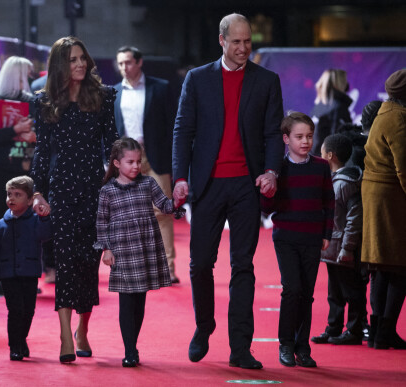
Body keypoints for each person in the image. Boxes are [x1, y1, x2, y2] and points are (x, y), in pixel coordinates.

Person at [172, 13, 283, 368]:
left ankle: (240, 348)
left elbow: (271, 134)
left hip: (246, 185)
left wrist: (271, 171)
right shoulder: (197, 78)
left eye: (248, 41)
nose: (243, 48)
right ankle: (204, 326)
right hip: (206, 184)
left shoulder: (267, 80)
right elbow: (183, 130)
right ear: (221, 40)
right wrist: (179, 176)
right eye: (236, 41)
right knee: (200, 264)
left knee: (243, 267)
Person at [30, 36, 120, 363]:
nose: (80, 64)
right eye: (72, 59)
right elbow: (42, 150)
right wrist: (37, 190)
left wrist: (118, 184)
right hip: (61, 191)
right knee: (65, 261)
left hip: (94, 190)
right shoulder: (43, 101)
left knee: (87, 262)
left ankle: (83, 326)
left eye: (83, 58)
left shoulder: (103, 96)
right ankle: (66, 334)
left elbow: (112, 144)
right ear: (60, 65)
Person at [96, 138, 179, 367]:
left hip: (144, 248)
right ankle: (130, 349)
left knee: (139, 302)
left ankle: (133, 344)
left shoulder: (148, 183)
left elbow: (165, 205)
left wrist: (180, 200)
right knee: (126, 301)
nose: (136, 166)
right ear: (116, 163)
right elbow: (102, 223)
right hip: (122, 251)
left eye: (138, 161)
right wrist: (106, 249)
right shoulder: (107, 191)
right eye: (130, 161)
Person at [261, 112, 334, 368]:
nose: (305, 141)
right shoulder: (278, 169)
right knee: (292, 290)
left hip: (313, 237)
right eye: (299, 136)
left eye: (310, 136)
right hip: (286, 238)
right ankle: (285, 344)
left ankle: (303, 347)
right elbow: (267, 208)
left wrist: (327, 234)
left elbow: (329, 202)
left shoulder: (322, 167)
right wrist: (267, 188)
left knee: (308, 294)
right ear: (286, 139)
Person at [114, 46, 178, 283]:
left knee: (162, 213)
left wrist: (175, 161)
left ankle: (168, 269)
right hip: (125, 160)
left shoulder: (160, 88)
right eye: (120, 64)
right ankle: (132, 268)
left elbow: (173, 126)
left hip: (155, 157)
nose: (124, 67)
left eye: (128, 62)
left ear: (139, 62)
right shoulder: (113, 93)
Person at [0, 176, 52, 361]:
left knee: (29, 310)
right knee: (15, 310)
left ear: (30, 200)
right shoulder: (0, 225)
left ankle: (21, 340)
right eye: (9, 194)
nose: (11, 198)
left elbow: (46, 235)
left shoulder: (36, 221)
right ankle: (15, 346)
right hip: (8, 275)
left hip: (29, 273)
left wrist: (45, 218)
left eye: (17, 195)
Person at [361, 69, 406, 350]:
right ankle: (385, 331)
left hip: (377, 193)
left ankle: (379, 330)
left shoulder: (384, 112)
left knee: (381, 266)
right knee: (400, 266)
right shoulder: (399, 118)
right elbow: (405, 166)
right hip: (391, 196)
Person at [311, 134, 365, 346]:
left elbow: (354, 219)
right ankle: (333, 328)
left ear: (330, 156)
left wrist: (348, 248)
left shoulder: (346, 184)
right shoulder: (334, 180)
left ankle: (354, 330)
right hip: (333, 248)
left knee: (352, 290)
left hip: (343, 247)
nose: (320, 154)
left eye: (322, 151)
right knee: (334, 292)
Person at [0, 56, 36, 224]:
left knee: (27, 221)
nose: (30, 77)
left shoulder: (33, 102)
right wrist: (15, 130)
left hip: (26, 169)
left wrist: (34, 137)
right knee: (1, 219)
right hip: (0, 171)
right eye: (27, 74)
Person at [310, 69, 352, 155]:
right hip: (329, 160)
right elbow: (339, 139)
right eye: (344, 81)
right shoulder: (338, 107)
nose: (347, 84)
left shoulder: (319, 105)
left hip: (315, 156)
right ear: (340, 83)